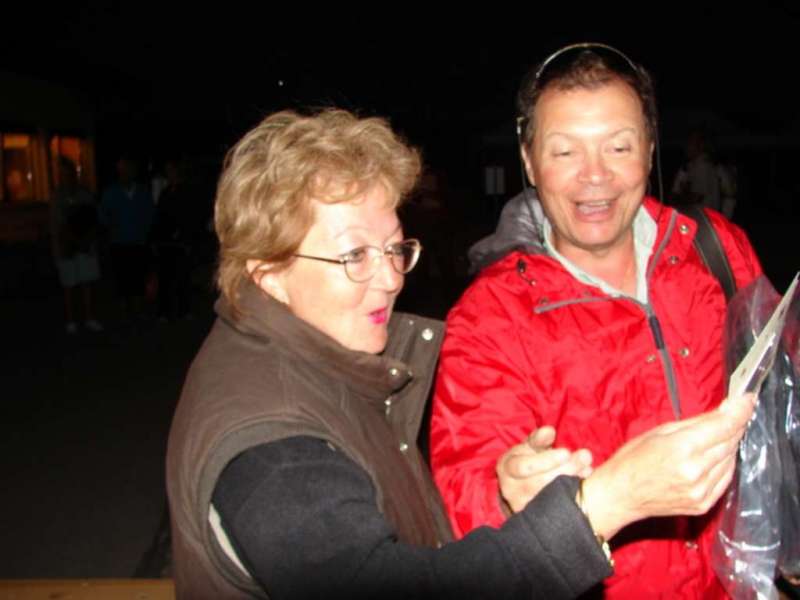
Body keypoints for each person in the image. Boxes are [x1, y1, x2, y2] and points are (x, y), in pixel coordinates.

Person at [166, 108, 755, 600]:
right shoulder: (271, 447)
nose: (391, 278)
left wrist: (510, 489)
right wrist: (606, 501)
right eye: (354, 257)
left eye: (395, 248)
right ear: (267, 275)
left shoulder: (322, 358)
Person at [430, 44, 764, 599]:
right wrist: (502, 491)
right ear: (530, 159)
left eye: (619, 146)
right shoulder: (490, 316)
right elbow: (466, 496)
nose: (595, 177)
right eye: (565, 152)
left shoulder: (716, 250)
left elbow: (778, 394)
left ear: (650, 149)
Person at [50, 158, 103, 334]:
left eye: (68, 173)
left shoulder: (85, 194)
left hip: (86, 247)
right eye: (62, 174)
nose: (65, 177)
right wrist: (71, 242)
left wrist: (86, 241)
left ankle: (90, 318)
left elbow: (93, 220)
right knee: (69, 285)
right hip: (67, 248)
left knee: (87, 282)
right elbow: (58, 225)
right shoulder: (57, 197)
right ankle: (71, 320)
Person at [100, 156, 155, 317]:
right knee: (121, 276)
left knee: (138, 275)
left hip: (139, 241)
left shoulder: (143, 192)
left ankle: (138, 308)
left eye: (129, 170)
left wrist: (147, 235)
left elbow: (150, 215)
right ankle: (124, 307)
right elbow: (103, 217)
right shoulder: (111, 193)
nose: (125, 174)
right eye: (122, 171)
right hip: (119, 242)